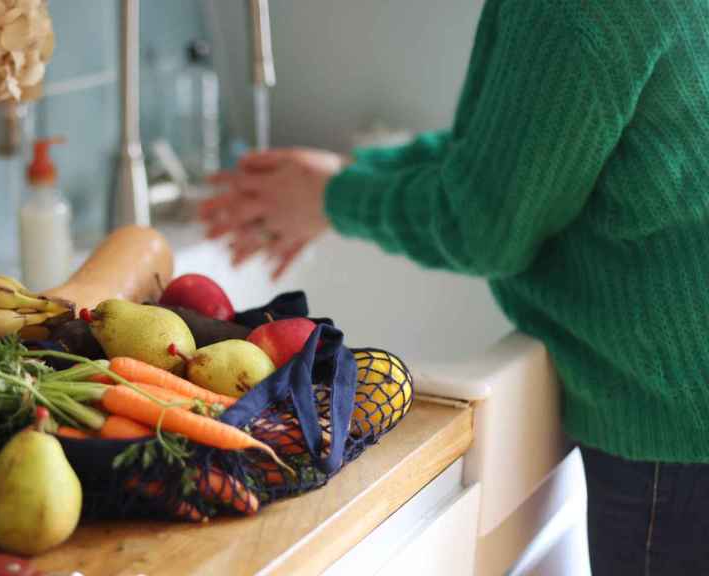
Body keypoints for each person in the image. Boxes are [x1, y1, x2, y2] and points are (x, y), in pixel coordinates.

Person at [199, 2, 709, 574]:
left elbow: (486, 226)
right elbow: (508, 154)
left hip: (676, 424)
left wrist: (335, 197)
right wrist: (341, 183)